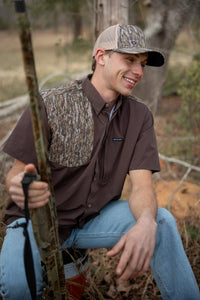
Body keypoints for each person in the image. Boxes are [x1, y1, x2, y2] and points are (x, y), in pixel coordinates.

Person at [0, 24, 199, 300]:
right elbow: (16, 175)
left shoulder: (139, 116)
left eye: (142, 64)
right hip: (36, 220)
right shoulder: (51, 103)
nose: (139, 72)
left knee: (160, 221)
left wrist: (144, 222)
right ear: (101, 56)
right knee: (19, 289)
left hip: (91, 222)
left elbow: (142, 186)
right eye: (129, 60)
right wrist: (23, 187)